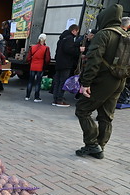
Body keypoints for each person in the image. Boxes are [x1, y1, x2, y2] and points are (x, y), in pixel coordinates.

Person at [75, 4, 127, 159]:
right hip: (119, 80)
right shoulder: (124, 34)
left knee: (82, 110)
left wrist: (86, 83)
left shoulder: (104, 34)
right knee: (106, 116)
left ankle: (92, 145)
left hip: (103, 80)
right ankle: (100, 147)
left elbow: (93, 61)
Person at [52, 24, 84, 107]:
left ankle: (55, 98)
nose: (77, 33)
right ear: (74, 30)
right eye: (77, 31)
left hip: (59, 63)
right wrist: (79, 50)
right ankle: (59, 100)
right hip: (66, 63)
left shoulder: (62, 38)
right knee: (63, 82)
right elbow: (69, 50)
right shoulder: (69, 38)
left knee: (58, 81)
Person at [25, 33, 51, 102]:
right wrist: (46, 65)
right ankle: (36, 97)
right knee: (38, 82)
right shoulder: (46, 48)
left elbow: (28, 58)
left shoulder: (32, 47)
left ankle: (27, 96)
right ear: (45, 40)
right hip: (40, 66)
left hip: (32, 66)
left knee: (30, 81)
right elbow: (47, 59)